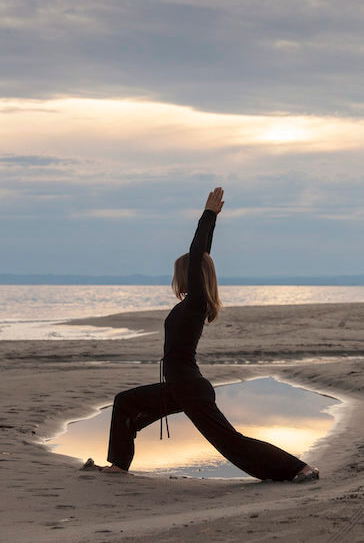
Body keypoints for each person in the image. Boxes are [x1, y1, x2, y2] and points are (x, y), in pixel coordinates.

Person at [101, 187, 319, 483]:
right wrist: (211, 222)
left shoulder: (195, 305)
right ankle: (118, 465)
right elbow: (201, 257)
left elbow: (197, 254)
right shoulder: (193, 305)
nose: (177, 278)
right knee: (125, 402)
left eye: (181, 272)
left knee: (230, 442)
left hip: (189, 388)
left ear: (189, 275)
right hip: (181, 386)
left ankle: (298, 468)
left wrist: (208, 216)